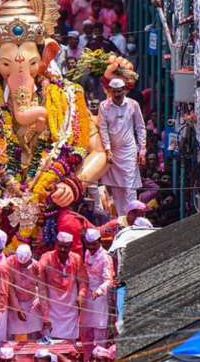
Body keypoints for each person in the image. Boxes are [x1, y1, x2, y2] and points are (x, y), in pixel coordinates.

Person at [98, 78, 146, 216]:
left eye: (120, 91)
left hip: (129, 150)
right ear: (110, 92)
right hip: (113, 152)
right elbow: (103, 128)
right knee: (117, 190)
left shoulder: (133, 105)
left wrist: (142, 150)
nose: (117, 95)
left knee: (130, 187)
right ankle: (122, 220)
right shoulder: (104, 106)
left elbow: (140, 127)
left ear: (125, 90)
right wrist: (107, 149)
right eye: (114, 92)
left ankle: (134, 218)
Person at [37, 232, 88, 341]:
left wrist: (81, 294)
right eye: (60, 246)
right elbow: (39, 268)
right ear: (55, 244)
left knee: (70, 343)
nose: (62, 249)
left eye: (66, 247)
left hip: (70, 307)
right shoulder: (47, 257)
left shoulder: (76, 259)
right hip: (52, 306)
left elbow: (83, 281)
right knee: (51, 342)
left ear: (71, 246)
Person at [80, 229, 114, 362]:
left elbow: (109, 280)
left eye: (94, 244)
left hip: (100, 298)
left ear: (99, 242)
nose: (91, 247)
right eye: (88, 244)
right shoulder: (87, 253)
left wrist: (99, 291)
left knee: (99, 332)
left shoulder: (106, 257)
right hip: (87, 295)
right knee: (85, 332)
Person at [5, 244, 43, 339]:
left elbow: (42, 286)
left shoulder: (36, 266)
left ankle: (35, 352)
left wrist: (38, 299)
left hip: (32, 302)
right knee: (12, 332)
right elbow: (10, 288)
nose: (22, 266)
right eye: (21, 264)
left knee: (34, 332)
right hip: (15, 301)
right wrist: (17, 309)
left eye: (25, 264)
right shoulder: (10, 262)